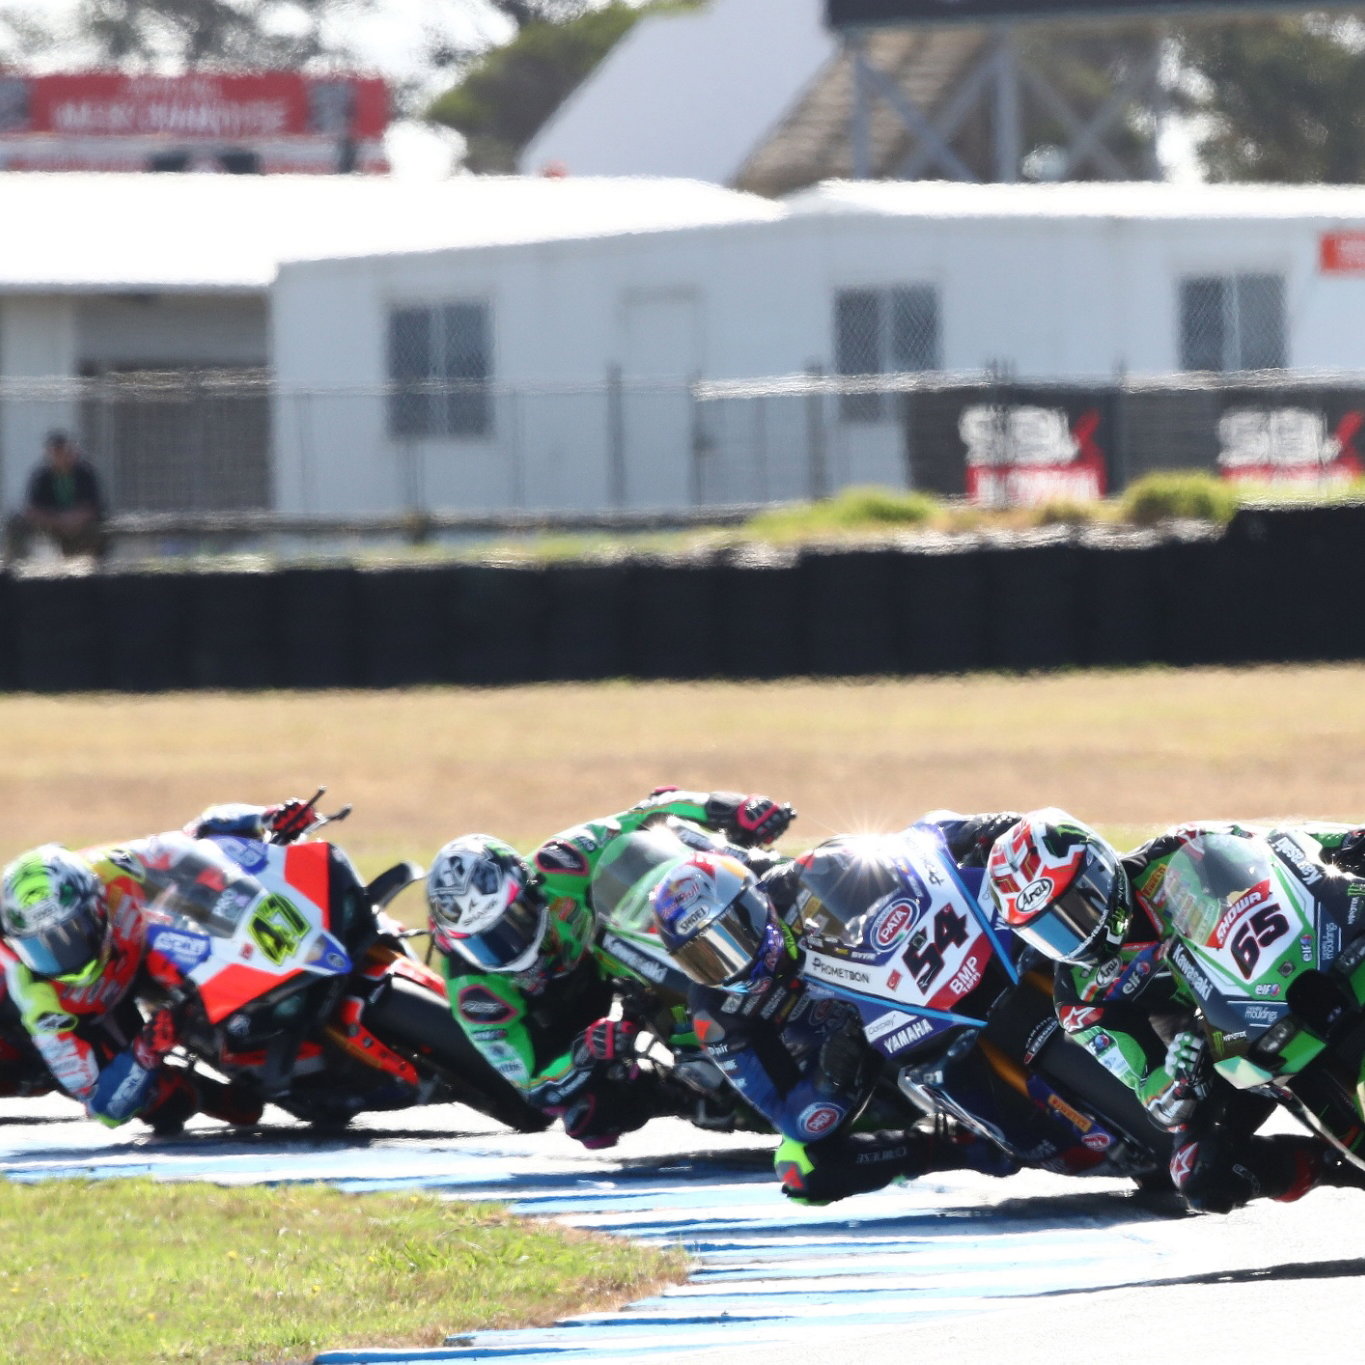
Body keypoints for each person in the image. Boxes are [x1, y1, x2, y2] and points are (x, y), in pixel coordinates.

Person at [987, 807, 1365, 1213]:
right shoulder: (1079, 997)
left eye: (1076, 908)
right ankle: (1333, 1169)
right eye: (1048, 930)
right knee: (1200, 1175)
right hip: (1227, 1046)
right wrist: (1180, 1076)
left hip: (1299, 970)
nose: (1072, 935)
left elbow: (1283, 848)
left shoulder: (1182, 848)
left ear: (1098, 871)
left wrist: (1347, 842)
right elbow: (1148, 1088)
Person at [649, 832, 1020, 1205]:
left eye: (730, 937)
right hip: (859, 1048)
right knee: (802, 1168)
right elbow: (794, 1118)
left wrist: (974, 833)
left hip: (922, 971)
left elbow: (917, 850)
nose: (730, 963)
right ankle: (954, 1146)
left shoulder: (801, 879)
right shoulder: (716, 1013)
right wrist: (832, 1076)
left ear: (754, 903)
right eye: (705, 957)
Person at [425, 788, 796, 1148]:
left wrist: (733, 808)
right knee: (590, 1119)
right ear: (451, 941)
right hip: (568, 1024)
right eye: (482, 941)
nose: (507, 945)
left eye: (513, 921)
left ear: (529, 888)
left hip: (608, 951)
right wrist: (584, 1053)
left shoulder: (562, 860)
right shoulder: (473, 990)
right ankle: (688, 1094)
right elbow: (532, 1083)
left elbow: (651, 812)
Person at [0, 801, 313, 1132]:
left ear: (95, 906)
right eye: (40, 947)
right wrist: (147, 1048)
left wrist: (266, 816)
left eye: (70, 935)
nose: (60, 956)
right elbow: (102, 1105)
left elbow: (192, 837)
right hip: (91, 1019)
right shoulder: (38, 1001)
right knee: (172, 1104)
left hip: (136, 952)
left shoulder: (108, 866)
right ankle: (211, 1089)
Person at [4, 430, 105, 563]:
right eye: (56, 452)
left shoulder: (86, 472)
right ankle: (16, 565)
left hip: (81, 525)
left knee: (98, 530)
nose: (61, 456)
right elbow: (32, 509)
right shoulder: (41, 475)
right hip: (51, 523)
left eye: (64, 451)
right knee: (15, 521)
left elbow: (94, 506)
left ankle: (96, 565)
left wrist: (73, 519)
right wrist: (58, 520)